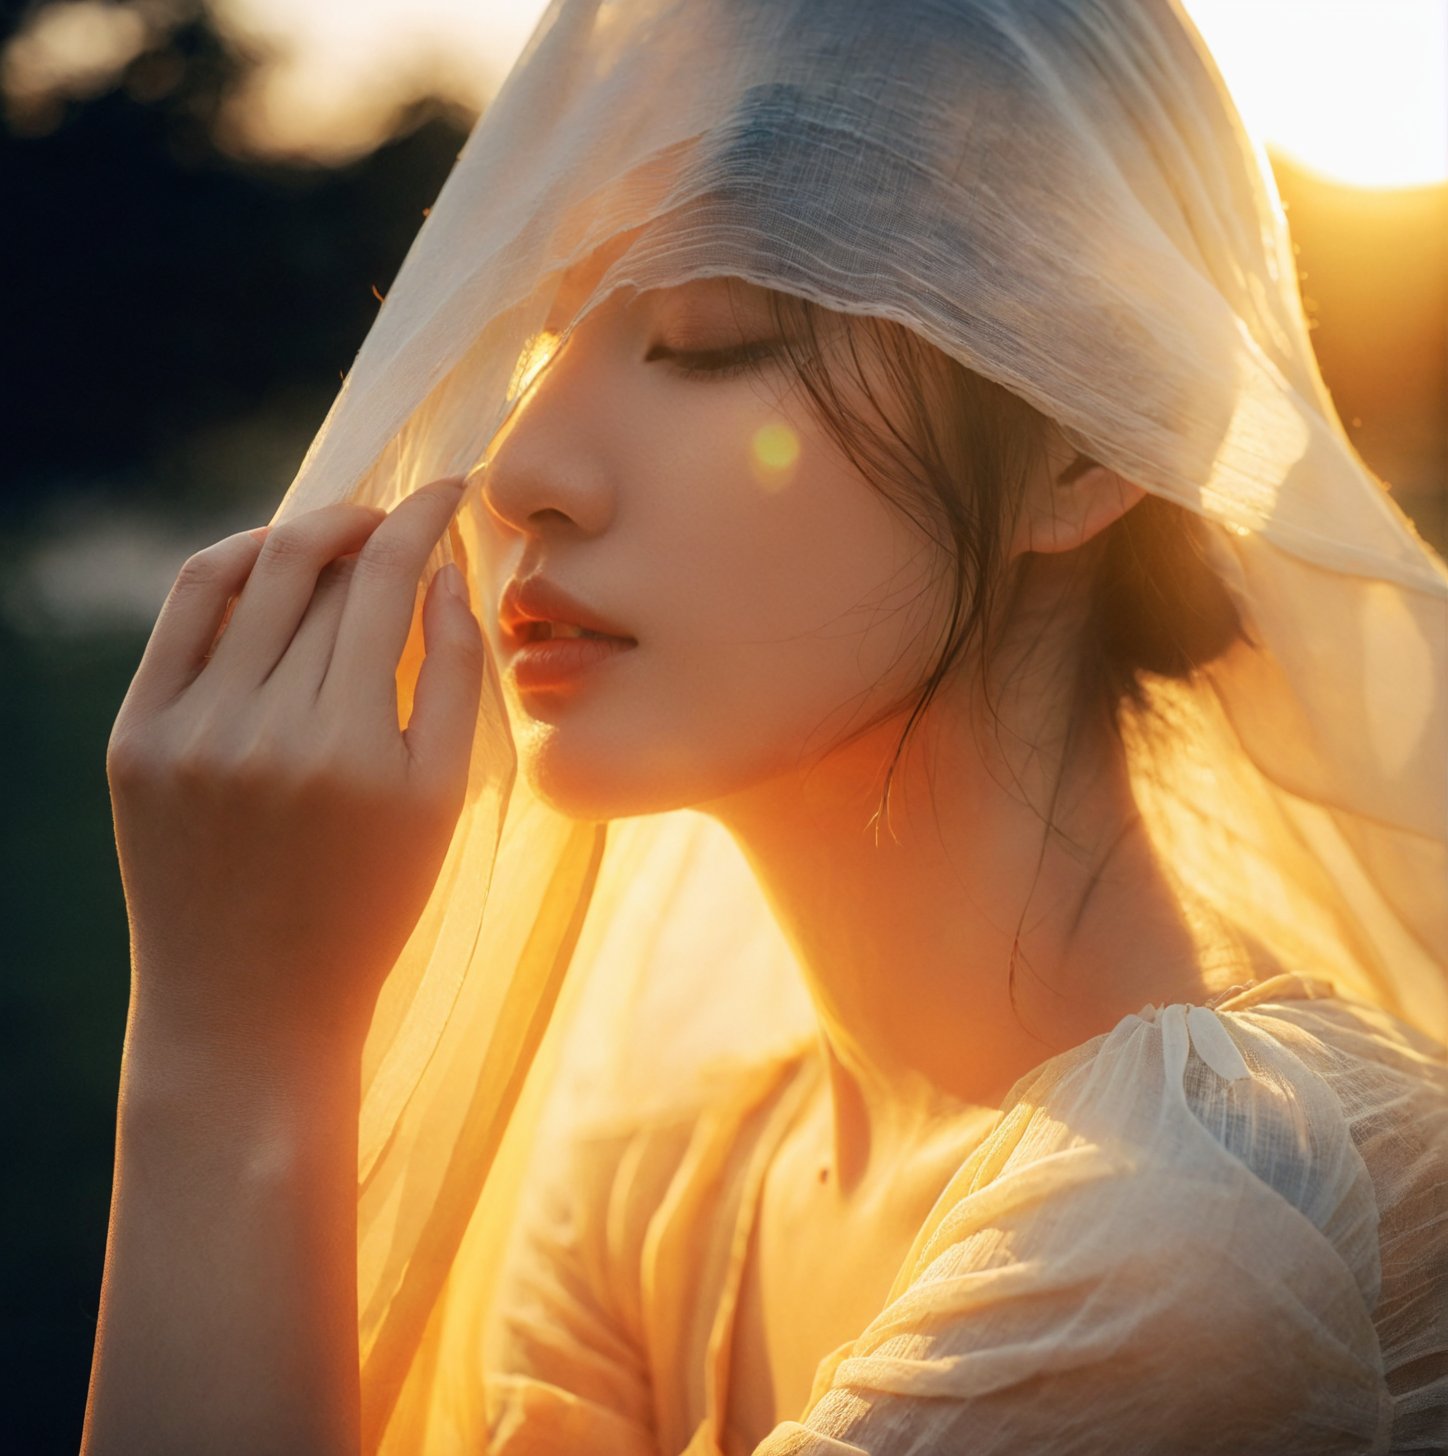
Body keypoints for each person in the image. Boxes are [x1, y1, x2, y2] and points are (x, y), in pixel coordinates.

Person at [83, 2, 1448, 1453]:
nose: (521, 473)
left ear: (1082, 440)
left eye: (707, 338)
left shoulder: (1200, 1236)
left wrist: (235, 1055)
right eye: (547, 340)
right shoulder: (672, 1186)